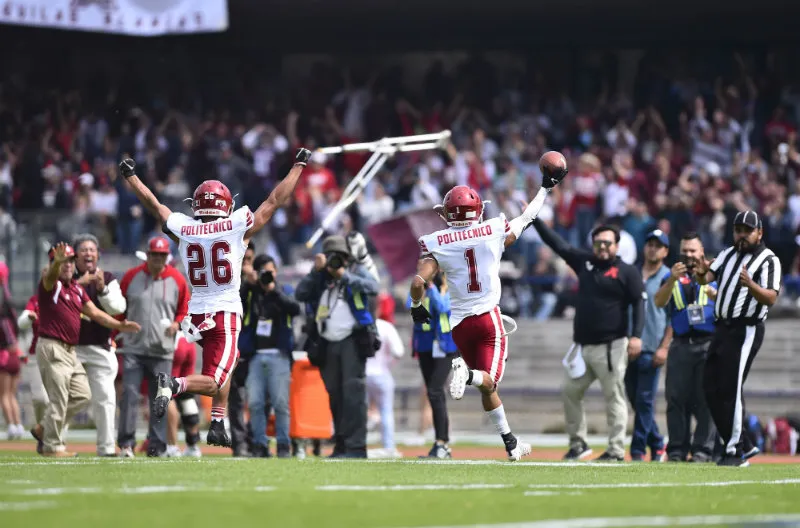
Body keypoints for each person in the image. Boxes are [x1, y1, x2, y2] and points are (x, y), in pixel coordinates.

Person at [118, 147, 311, 447]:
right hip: (224, 311)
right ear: (226, 204)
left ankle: (218, 420)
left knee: (224, 366)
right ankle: (172, 384)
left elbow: (154, 205)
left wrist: (131, 177)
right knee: (215, 379)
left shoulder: (185, 228)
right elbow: (274, 200)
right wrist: (298, 166)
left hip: (197, 313)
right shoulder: (235, 225)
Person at [410, 164, 567, 461]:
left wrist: (417, 307)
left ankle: (511, 443)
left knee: (486, 387)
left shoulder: (437, 242)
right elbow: (528, 217)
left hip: (459, 326)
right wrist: (545, 188)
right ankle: (466, 374)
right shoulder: (493, 228)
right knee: (487, 380)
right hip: (487, 319)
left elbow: (418, 282)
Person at [530, 220, 644, 462]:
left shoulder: (628, 271)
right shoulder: (585, 262)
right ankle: (578, 443)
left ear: (617, 245)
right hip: (583, 346)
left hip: (612, 344)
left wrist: (636, 336)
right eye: (598, 243)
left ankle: (615, 450)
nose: (602, 247)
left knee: (614, 395)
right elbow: (558, 245)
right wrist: (534, 220)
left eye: (607, 243)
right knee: (570, 392)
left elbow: (639, 303)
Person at [30, 243, 140, 457]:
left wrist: (120, 326)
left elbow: (96, 314)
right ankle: (52, 447)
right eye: (64, 261)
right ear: (54, 264)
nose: (68, 265)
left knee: (82, 395)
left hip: (70, 351)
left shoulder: (76, 288)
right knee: (59, 398)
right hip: (53, 347)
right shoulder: (51, 284)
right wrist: (57, 262)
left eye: (71, 261)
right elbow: (50, 275)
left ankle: (43, 427)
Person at [694, 210, 782, 466]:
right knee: (710, 387)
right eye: (738, 230)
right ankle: (742, 443)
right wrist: (700, 272)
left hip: (746, 328)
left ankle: (735, 450)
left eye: (747, 230)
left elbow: (771, 298)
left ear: (759, 232)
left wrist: (750, 285)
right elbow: (705, 278)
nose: (742, 235)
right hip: (722, 328)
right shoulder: (728, 254)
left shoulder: (768, 260)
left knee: (730, 388)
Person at [295, 235, 380, 458]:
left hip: (352, 340)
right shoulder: (320, 277)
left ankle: (356, 447)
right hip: (326, 342)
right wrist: (316, 271)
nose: (336, 261)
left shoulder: (354, 270)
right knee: (335, 394)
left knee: (354, 393)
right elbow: (300, 293)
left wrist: (345, 275)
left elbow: (373, 287)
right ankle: (341, 444)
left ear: (347, 257)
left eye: (340, 257)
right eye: (333, 257)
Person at [117, 236, 190, 457]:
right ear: (147, 255)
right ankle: (126, 444)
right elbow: (119, 308)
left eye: (161, 255)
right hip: (134, 348)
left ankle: (157, 445)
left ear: (167, 257)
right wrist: (116, 331)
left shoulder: (177, 279)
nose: (158, 259)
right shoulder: (131, 277)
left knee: (160, 399)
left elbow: (185, 308)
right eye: (154, 255)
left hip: (163, 350)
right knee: (129, 395)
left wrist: (177, 323)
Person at [653, 232, 719, 462]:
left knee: (706, 401)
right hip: (681, 345)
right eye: (685, 250)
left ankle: (702, 450)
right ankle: (677, 450)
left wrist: (715, 294)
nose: (689, 255)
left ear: (702, 252)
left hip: (708, 343)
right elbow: (659, 302)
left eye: (693, 250)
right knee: (676, 399)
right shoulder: (672, 275)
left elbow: (728, 304)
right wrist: (671, 279)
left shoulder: (714, 274)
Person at [72, 233, 128, 457]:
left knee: (105, 399)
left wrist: (103, 289)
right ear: (74, 256)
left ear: (98, 255)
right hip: (70, 348)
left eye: (92, 250)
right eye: (84, 249)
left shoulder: (108, 277)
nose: (88, 253)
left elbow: (117, 308)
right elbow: (55, 300)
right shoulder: (65, 276)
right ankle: (55, 444)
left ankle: (106, 448)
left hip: (99, 347)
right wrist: (78, 285)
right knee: (67, 397)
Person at [240, 254, 300, 458]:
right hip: (255, 356)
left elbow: (295, 308)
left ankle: (283, 445)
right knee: (255, 403)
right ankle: (259, 445)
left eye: (271, 271)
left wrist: (273, 291)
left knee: (280, 403)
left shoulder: (283, 290)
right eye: (264, 272)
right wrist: (249, 285)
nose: (269, 275)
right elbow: (236, 305)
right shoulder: (250, 293)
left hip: (279, 355)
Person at [624, 230, 672, 462]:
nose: (652, 248)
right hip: (628, 346)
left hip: (652, 346)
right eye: (650, 244)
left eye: (658, 245)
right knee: (635, 400)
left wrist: (664, 346)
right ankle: (658, 442)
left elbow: (674, 316)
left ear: (666, 251)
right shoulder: (632, 273)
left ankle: (637, 451)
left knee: (644, 401)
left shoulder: (669, 276)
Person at [408, 272, 457, 459]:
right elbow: (411, 305)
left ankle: (441, 442)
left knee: (436, 390)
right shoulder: (418, 286)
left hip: (447, 347)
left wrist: (433, 289)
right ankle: (441, 442)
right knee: (433, 392)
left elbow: (443, 307)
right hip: (426, 346)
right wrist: (421, 288)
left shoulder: (450, 288)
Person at [365, 299, 405, 459]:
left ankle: (357, 444)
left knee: (361, 412)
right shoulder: (386, 327)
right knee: (386, 411)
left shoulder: (361, 326)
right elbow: (399, 351)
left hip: (363, 373)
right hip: (381, 373)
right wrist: (388, 363)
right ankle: (388, 446)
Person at [165, 331, 201, 457]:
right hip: (189, 340)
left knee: (167, 392)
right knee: (186, 394)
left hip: (171, 339)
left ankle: (172, 446)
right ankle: (193, 446)